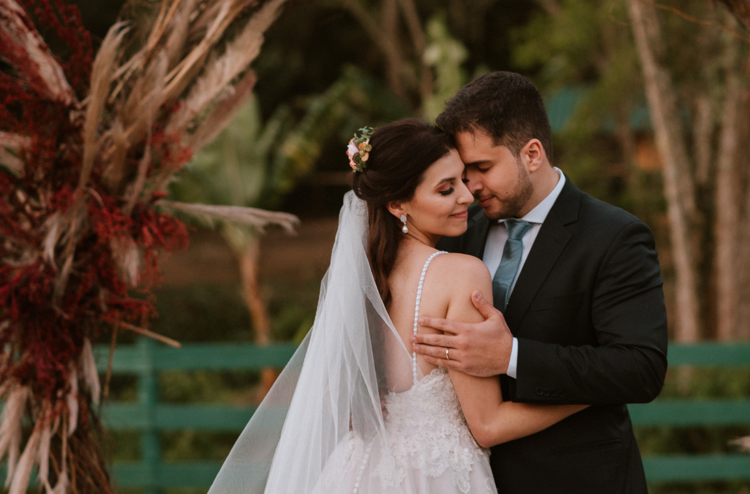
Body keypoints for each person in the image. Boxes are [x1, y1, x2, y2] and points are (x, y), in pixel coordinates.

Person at [207, 118, 585, 494]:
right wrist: (590, 397)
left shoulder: (363, 281)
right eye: (445, 189)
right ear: (397, 203)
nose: (467, 197)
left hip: (354, 474)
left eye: (462, 180)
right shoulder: (461, 274)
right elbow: (487, 425)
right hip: (434, 478)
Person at [413, 71, 669, 494]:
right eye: (462, 173)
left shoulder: (614, 237)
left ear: (531, 154)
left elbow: (641, 368)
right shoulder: (458, 233)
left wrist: (511, 355)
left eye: (482, 168)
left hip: (581, 481)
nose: (469, 187)